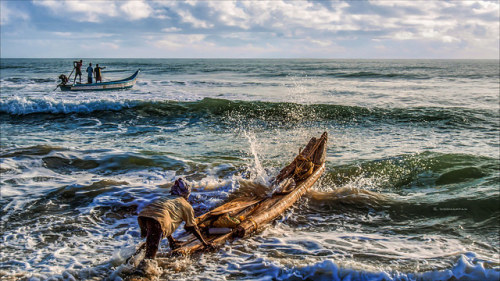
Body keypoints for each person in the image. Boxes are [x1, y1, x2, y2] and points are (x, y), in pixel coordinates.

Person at [137, 178, 213, 261]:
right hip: (158, 218)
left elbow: (168, 218)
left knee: (152, 240)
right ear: (186, 194)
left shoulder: (166, 198)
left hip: (144, 216)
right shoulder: (186, 205)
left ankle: (130, 261)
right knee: (151, 252)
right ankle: (142, 270)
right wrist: (205, 243)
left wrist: (171, 240)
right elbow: (192, 227)